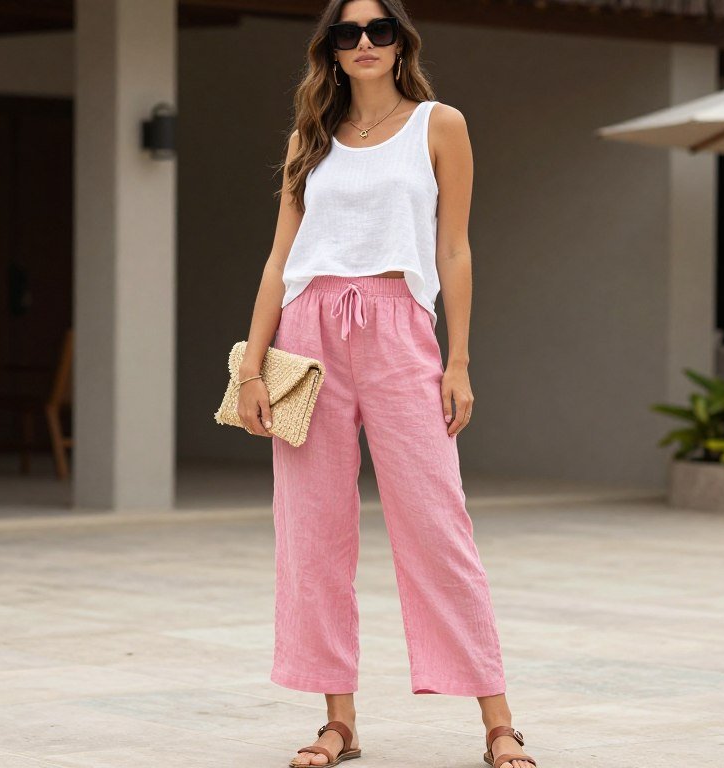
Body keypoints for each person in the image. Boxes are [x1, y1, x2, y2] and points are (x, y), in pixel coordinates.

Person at [237, 2, 537, 767]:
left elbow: (457, 250)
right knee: (311, 533)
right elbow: (280, 257)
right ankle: (338, 720)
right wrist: (251, 366)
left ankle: (497, 720)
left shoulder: (441, 125)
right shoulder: (311, 138)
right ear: (331, 52)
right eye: (347, 33)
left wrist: (458, 359)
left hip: (401, 328)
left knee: (438, 524)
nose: (364, 42)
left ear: (401, 42)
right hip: (307, 335)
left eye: (379, 30)